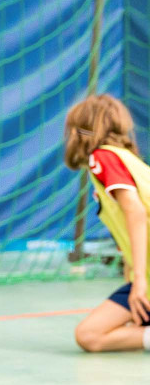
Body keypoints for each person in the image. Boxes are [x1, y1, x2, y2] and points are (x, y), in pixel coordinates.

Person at [64, 94, 150, 353]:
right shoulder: (127, 159)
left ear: (80, 131)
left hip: (146, 277)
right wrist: (132, 270)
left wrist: (139, 281)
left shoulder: (102, 157)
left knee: (89, 335)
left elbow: (136, 212)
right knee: (93, 334)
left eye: (73, 129)